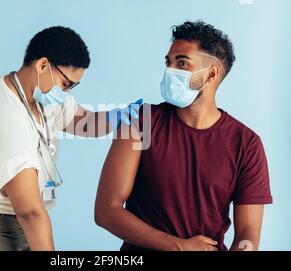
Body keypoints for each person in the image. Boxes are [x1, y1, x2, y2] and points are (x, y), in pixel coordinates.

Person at [0, 26, 141, 251]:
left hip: (12, 220)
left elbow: (81, 121)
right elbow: (31, 212)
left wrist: (114, 118)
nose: (68, 93)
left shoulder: (38, 95)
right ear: (42, 65)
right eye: (66, 84)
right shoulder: (7, 118)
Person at [95, 21, 273, 251]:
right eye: (168, 62)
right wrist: (178, 246)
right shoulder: (140, 121)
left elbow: (248, 234)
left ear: (211, 73)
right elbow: (106, 211)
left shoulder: (247, 144)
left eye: (182, 63)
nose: (170, 70)